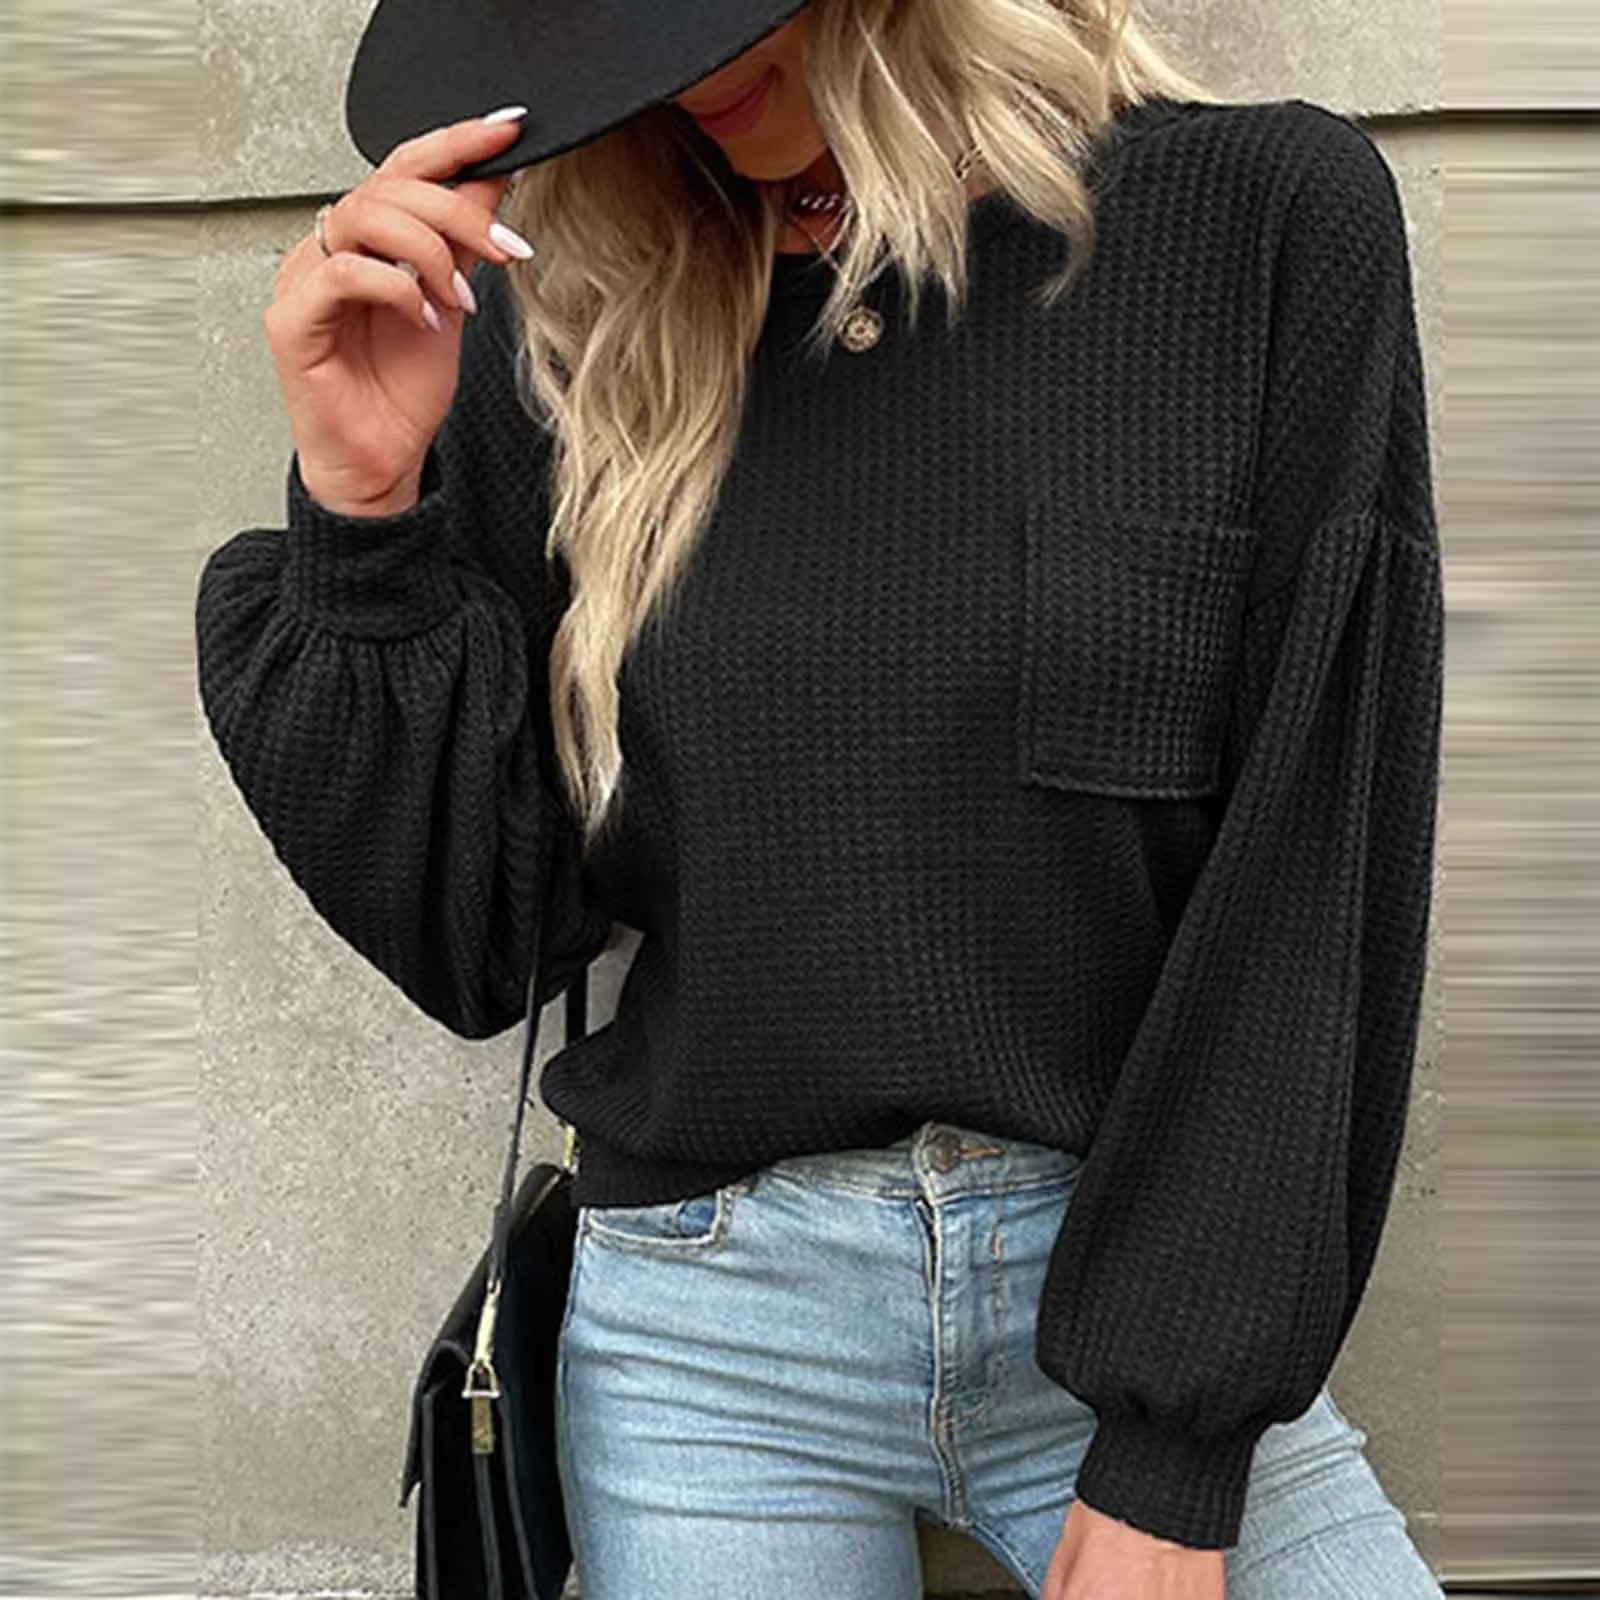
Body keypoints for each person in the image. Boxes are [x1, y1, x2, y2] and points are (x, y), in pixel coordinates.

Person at [195, 2, 1447, 1595]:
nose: (682, 63)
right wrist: (365, 509)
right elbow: (482, 936)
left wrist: (1173, 1453)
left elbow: (1316, 866)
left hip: (1124, 1276)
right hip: (713, 1338)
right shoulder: (571, 312)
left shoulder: (1257, 223)